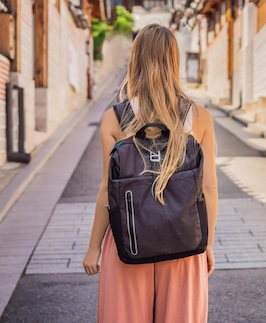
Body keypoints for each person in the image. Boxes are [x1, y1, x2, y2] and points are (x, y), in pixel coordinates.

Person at [83, 24, 218, 323]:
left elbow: (107, 190)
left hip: (128, 242)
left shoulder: (114, 118)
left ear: (136, 59)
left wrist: (94, 247)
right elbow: (208, 188)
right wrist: (207, 244)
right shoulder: (200, 117)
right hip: (184, 243)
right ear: (174, 61)